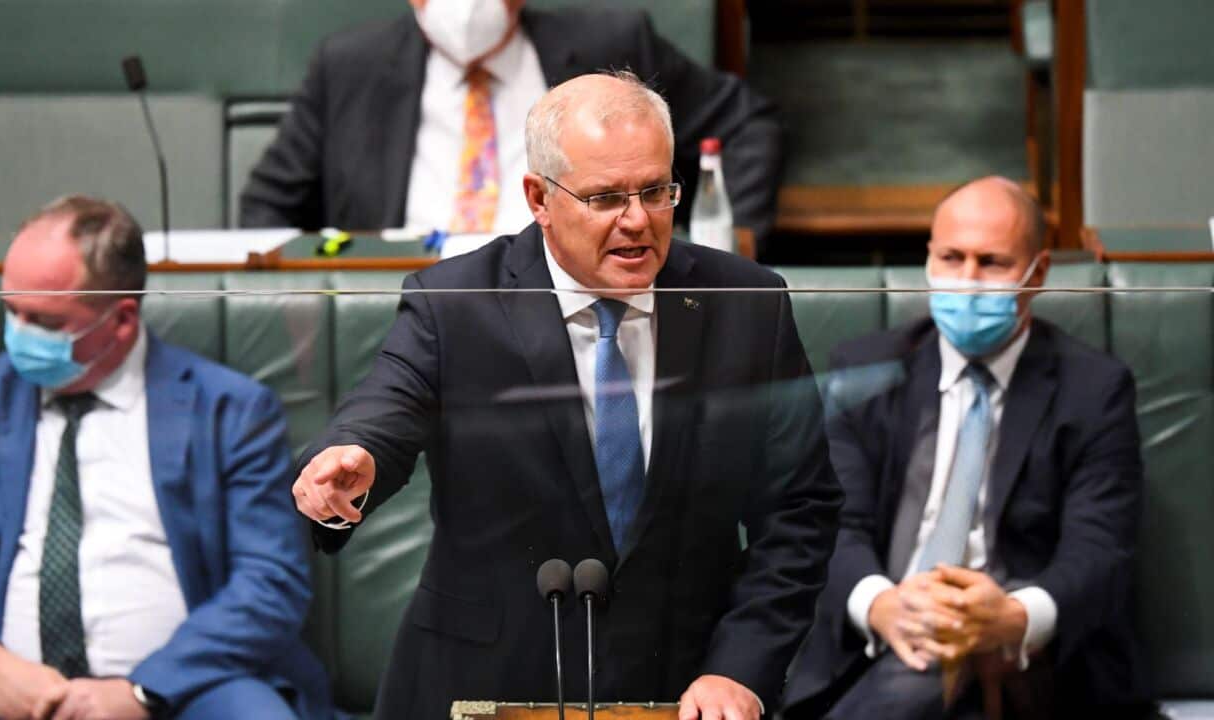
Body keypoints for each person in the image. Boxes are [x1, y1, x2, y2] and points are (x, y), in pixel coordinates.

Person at [291, 72, 840, 720]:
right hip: (485, 685)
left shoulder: (746, 304)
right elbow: (389, 403)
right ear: (538, 197)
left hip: (687, 691)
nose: (637, 221)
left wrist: (741, 670)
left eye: (656, 191)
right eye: (606, 197)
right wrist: (352, 459)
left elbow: (800, 511)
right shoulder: (457, 303)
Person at [0, 196, 331, 720]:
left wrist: (143, 691)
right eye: (11, 311)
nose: (19, 336)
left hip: (189, 691)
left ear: (121, 319)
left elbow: (270, 581)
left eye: (45, 322)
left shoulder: (229, 410)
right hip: (0, 695)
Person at [783, 177, 1149, 719]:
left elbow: (1100, 551)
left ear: (1037, 273)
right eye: (951, 258)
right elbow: (832, 524)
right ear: (928, 258)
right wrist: (883, 604)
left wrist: (1013, 617)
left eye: (992, 262)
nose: (968, 282)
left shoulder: (1094, 390)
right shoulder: (865, 371)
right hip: (885, 638)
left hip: (1027, 662)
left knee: (939, 664)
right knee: (925, 665)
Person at [239, 0, 783, 251]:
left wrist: (726, 250)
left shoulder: (613, 43)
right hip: (398, 310)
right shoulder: (348, 67)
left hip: (570, 302)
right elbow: (267, 207)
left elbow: (746, 127)